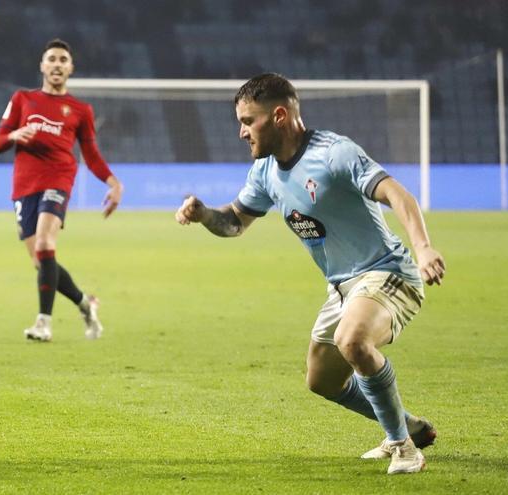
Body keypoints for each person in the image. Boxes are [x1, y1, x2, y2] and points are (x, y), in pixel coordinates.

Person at [175, 73, 446, 475]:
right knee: (321, 381)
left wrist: (423, 248)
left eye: (248, 121)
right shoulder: (265, 170)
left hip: (388, 274)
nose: (241, 132)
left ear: (279, 115)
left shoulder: (335, 154)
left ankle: (404, 449)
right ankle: (406, 425)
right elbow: (234, 222)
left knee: (352, 340)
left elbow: (396, 193)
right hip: (342, 289)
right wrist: (203, 216)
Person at [0, 39, 124, 342]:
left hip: (59, 180)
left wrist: (114, 183)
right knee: (43, 262)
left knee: (44, 243)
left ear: (70, 68)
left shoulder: (80, 110)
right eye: (51, 58)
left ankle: (43, 323)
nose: (57, 64)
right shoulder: (22, 99)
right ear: (42, 65)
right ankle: (85, 303)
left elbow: (91, 155)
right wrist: (15, 133)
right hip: (24, 186)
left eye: (63, 60)